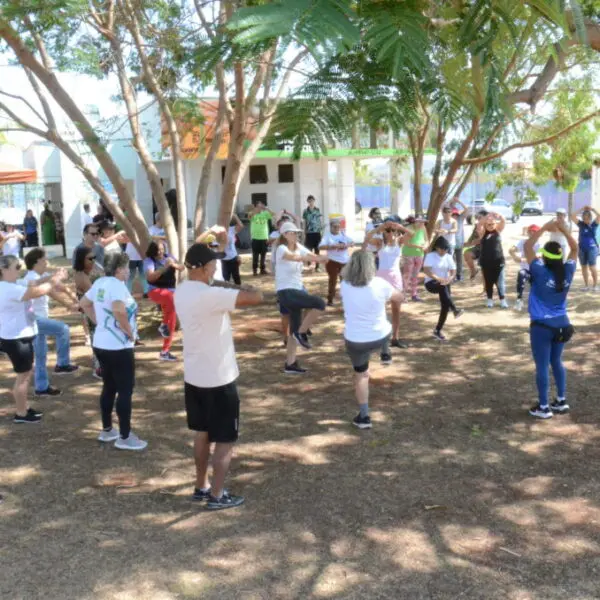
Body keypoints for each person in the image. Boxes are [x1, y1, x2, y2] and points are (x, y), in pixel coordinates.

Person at [174, 243, 264, 510]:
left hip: (195, 376)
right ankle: (217, 494)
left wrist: (218, 284)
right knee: (224, 439)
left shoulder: (182, 290)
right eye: (213, 265)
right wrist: (230, 286)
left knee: (202, 433)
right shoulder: (210, 294)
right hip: (219, 378)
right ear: (203, 268)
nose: (216, 268)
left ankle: (201, 485)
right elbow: (256, 296)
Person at [79, 252, 146, 450]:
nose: (127, 272)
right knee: (125, 390)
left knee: (109, 386)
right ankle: (125, 436)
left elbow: (83, 303)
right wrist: (129, 332)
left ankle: (108, 430)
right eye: (126, 268)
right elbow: (118, 310)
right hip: (119, 346)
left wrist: (98, 322)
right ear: (118, 269)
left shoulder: (100, 283)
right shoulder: (117, 285)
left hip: (101, 343)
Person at [0, 255, 67, 423]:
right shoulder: (9, 289)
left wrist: (52, 276)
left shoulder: (10, 286)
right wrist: (55, 280)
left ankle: (24, 408)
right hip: (17, 339)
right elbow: (37, 291)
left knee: (25, 375)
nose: (19, 271)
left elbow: (35, 283)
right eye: (16, 267)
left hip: (16, 337)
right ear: (3, 269)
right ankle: (21, 413)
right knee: (23, 377)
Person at [340, 251, 403, 429]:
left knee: (361, 375)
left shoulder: (344, 285)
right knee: (387, 325)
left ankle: (364, 416)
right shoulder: (380, 284)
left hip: (355, 340)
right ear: (372, 265)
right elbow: (400, 297)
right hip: (379, 336)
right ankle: (385, 353)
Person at [523, 219, 577, 419]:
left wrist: (545, 228)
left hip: (542, 326)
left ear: (544, 257)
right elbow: (574, 247)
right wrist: (563, 229)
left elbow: (528, 245)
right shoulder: (568, 270)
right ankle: (561, 401)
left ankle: (544, 407)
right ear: (560, 255)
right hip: (562, 324)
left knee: (542, 366)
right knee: (557, 361)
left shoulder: (539, 270)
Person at [20, 248, 79, 397]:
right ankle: (62, 364)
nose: (47, 262)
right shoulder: (30, 277)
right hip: (33, 319)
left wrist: (73, 301)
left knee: (41, 354)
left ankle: (41, 387)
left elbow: (57, 289)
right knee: (62, 329)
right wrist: (56, 278)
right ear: (36, 262)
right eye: (44, 259)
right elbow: (49, 288)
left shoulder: (43, 275)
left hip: (39, 320)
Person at [275, 221, 328, 374]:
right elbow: (292, 257)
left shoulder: (299, 247)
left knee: (293, 331)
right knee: (319, 303)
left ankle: (290, 364)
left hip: (296, 291)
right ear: (285, 235)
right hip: (287, 292)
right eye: (292, 232)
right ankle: (302, 333)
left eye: (297, 233)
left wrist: (322, 258)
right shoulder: (281, 248)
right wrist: (310, 258)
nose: (296, 235)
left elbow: (311, 256)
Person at [365, 217, 411, 349]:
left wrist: (400, 227)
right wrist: (380, 228)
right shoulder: (380, 243)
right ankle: (377, 337)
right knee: (379, 310)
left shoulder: (399, 242)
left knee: (396, 310)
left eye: (391, 230)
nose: (390, 232)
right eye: (387, 230)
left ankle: (395, 338)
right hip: (381, 278)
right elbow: (368, 237)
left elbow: (411, 234)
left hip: (395, 278)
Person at [144, 240, 185, 361]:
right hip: (156, 291)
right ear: (152, 251)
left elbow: (181, 268)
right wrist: (164, 267)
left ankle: (165, 350)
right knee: (170, 300)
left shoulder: (169, 256)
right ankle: (163, 326)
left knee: (171, 319)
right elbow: (150, 278)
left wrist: (174, 265)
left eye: (162, 249)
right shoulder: (149, 261)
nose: (161, 252)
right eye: (158, 250)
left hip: (171, 292)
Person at [423, 237, 463, 341]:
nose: (444, 251)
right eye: (442, 249)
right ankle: (454, 309)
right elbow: (426, 270)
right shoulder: (430, 256)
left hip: (445, 283)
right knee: (442, 286)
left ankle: (437, 330)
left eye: (446, 249)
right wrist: (438, 278)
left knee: (445, 306)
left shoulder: (448, 257)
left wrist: (450, 278)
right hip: (431, 282)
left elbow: (453, 270)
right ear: (436, 247)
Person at [73, 245, 103, 378]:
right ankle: (99, 368)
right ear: (81, 260)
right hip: (92, 311)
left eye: (94, 258)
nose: (93, 261)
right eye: (90, 259)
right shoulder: (81, 276)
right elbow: (97, 295)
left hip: (96, 308)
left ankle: (102, 365)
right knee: (97, 337)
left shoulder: (88, 272)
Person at [319, 218, 353, 306]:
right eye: (335, 227)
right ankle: (330, 299)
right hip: (332, 261)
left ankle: (346, 299)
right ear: (330, 227)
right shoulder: (327, 236)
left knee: (345, 281)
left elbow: (352, 242)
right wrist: (332, 246)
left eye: (338, 226)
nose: (337, 228)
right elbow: (320, 247)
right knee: (333, 281)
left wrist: (346, 245)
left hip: (344, 262)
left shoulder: (343, 234)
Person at [480, 212, 509, 308]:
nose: (491, 226)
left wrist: (498, 215)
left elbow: (503, 221)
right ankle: (489, 300)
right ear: (485, 224)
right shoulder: (483, 233)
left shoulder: (498, 231)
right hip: (486, 262)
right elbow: (479, 224)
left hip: (498, 261)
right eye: (489, 224)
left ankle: (502, 300)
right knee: (489, 282)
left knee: (500, 282)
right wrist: (486, 217)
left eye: (493, 224)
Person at [509, 224, 541, 311]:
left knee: (536, 287)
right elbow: (511, 249)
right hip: (526, 269)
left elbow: (536, 257)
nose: (532, 233)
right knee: (521, 274)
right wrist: (514, 256)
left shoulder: (539, 245)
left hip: (536, 270)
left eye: (534, 232)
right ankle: (519, 299)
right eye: (530, 231)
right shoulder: (523, 242)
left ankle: (537, 303)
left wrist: (522, 259)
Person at [570, 205, 600, 291]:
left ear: (590, 218)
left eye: (587, 218)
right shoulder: (581, 224)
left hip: (592, 248)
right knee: (584, 267)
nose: (586, 220)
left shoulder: (594, 224)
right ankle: (586, 285)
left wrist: (593, 209)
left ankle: (595, 286)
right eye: (584, 218)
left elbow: (599, 216)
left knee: (592, 267)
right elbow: (572, 216)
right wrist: (582, 208)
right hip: (582, 249)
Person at [401, 215, 429, 301]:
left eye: (423, 221)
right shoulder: (409, 228)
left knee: (415, 275)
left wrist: (425, 246)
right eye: (419, 221)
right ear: (415, 221)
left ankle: (414, 295)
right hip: (409, 254)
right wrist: (418, 246)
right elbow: (405, 243)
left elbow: (427, 240)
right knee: (407, 275)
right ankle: (403, 296)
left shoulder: (423, 227)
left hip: (419, 254)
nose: (422, 223)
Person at [248, 201, 274, 275]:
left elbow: (273, 214)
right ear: (255, 207)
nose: (260, 208)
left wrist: (267, 209)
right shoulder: (251, 213)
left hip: (264, 237)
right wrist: (256, 211)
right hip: (255, 237)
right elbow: (249, 217)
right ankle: (255, 270)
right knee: (255, 255)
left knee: (263, 254)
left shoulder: (265, 213)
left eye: (261, 206)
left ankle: (262, 269)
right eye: (258, 206)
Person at [463, 210, 487, 280]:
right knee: (466, 253)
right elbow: (472, 238)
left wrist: (477, 241)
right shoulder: (476, 226)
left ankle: (485, 289)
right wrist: (465, 244)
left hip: (487, 250)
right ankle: (473, 271)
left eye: (480, 217)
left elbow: (484, 240)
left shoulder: (489, 225)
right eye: (478, 217)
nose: (478, 219)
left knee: (484, 270)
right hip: (478, 248)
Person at [222, 214, 244, 285]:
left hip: (233, 257)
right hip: (224, 258)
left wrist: (235, 216)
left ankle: (239, 293)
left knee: (236, 277)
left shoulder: (231, 229)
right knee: (226, 278)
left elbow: (241, 226)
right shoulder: (218, 231)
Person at [302, 195, 323, 270]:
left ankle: (317, 266)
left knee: (317, 249)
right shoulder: (305, 211)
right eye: (309, 201)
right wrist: (304, 231)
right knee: (309, 249)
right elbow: (304, 221)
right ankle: (310, 264)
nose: (311, 202)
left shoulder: (317, 210)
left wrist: (321, 229)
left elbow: (320, 220)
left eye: (312, 200)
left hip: (317, 232)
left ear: (314, 201)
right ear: (308, 202)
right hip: (309, 232)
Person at [449, 197, 467, 281]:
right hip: (450, 243)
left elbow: (466, 209)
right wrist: (450, 201)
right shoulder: (447, 220)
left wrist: (459, 201)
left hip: (459, 243)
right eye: (453, 214)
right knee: (451, 261)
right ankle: (452, 276)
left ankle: (459, 275)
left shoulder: (460, 219)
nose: (455, 215)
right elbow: (443, 208)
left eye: (456, 214)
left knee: (459, 260)